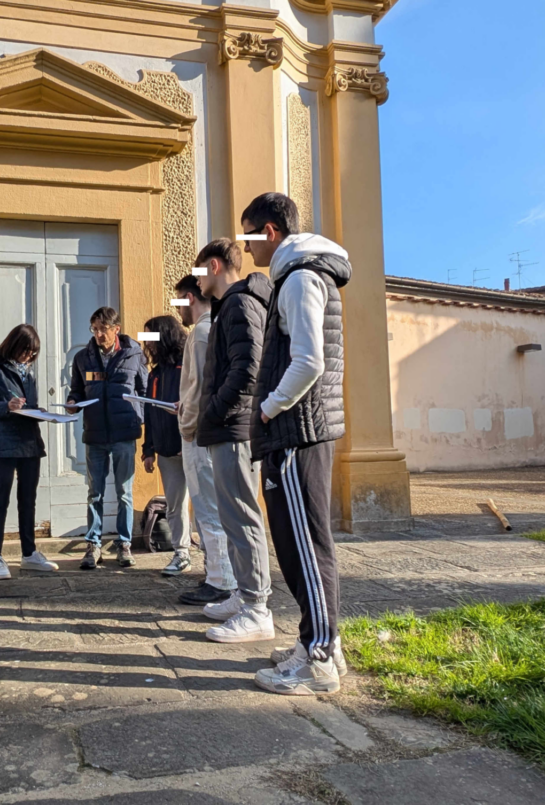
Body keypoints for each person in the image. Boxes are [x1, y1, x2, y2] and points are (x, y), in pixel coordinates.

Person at [241, 193, 352, 696]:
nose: (247, 249)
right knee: (298, 542)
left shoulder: (301, 277)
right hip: (298, 429)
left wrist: (268, 407)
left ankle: (320, 659)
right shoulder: (300, 274)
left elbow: (308, 362)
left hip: (296, 431)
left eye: (248, 237)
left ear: (268, 231)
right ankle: (316, 642)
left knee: (305, 544)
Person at [194, 238, 275, 644]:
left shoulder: (241, 304)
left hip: (235, 428)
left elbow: (248, 372)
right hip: (228, 427)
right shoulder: (232, 306)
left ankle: (258, 608)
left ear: (212, 266)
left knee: (243, 517)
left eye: (198, 274)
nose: (196, 283)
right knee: (233, 517)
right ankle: (245, 596)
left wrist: (213, 412)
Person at [0, 324, 59, 578]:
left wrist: (40, 412)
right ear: (14, 345)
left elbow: (26, 405)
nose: (29, 357)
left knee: (28, 499)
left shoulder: (29, 373)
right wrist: (6, 406)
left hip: (29, 442)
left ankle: (29, 553)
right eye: (26, 351)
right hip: (2, 444)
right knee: (1, 498)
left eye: (33, 353)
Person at [66, 307, 149, 570]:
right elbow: (77, 391)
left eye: (103, 329)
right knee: (95, 493)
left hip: (124, 433)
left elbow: (144, 391)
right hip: (95, 434)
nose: (99, 334)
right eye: (95, 329)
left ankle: (124, 544)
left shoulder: (134, 355)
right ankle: (93, 545)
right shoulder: (82, 358)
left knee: (124, 492)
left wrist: (140, 418)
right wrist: (71, 403)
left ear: (117, 329)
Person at [173, 274, 237, 605]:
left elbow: (198, 388)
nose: (178, 309)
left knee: (208, 511)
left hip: (198, 435)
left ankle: (220, 580)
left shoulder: (199, 333)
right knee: (217, 508)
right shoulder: (216, 326)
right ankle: (221, 575)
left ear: (190, 298)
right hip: (211, 430)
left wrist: (186, 421)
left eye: (179, 301)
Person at [140, 316, 191, 576]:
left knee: (207, 504)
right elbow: (150, 412)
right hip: (166, 450)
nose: (146, 343)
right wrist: (148, 449)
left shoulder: (187, 364)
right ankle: (181, 553)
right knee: (174, 505)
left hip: (191, 445)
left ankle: (218, 560)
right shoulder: (154, 374)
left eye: (150, 337)